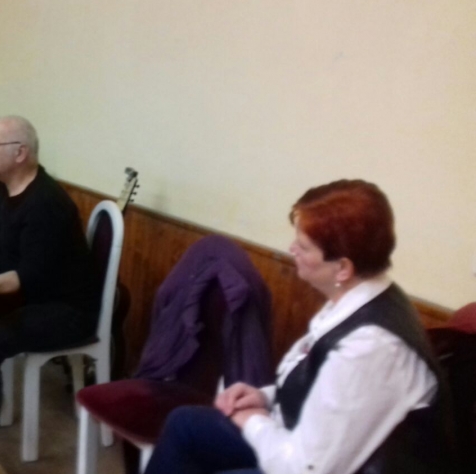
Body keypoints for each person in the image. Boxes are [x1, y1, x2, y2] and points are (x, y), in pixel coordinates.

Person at [144, 179, 456, 474]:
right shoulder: (359, 296)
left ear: (342, 268)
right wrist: (265, 397)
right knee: (185, 425)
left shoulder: (370, 346)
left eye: (304, 246)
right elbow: (321, 386)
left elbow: (305, 468)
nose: (292, 249)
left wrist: (252, 420)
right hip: (306, 447)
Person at [0, 116, 101, 431]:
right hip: (26, 295)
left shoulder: (46, 205)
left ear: (20, 153)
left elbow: (23, 280)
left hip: (65, 309)